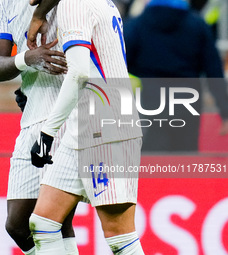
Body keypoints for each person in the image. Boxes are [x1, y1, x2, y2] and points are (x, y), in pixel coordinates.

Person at [27, 0, 144, 254]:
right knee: (43, 223)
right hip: (86, 126)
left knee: (119, 237)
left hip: (106, 128)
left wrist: (48, 132)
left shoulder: (74, 4)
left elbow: (79, 72)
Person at [0, 1, 79, 255]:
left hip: (65, 115)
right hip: (31, 115)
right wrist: (27, 59)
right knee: (18, 226)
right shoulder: (4, 5)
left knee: (50, 221)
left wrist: (39, 13)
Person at [123, 0, 228, 151]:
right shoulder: (198, 25)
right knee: (185, 160)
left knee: (153, 160)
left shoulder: (136, 25)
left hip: (151, 98)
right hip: (188, 97)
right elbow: (213, 70)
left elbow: (121, 59)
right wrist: (224, 112)